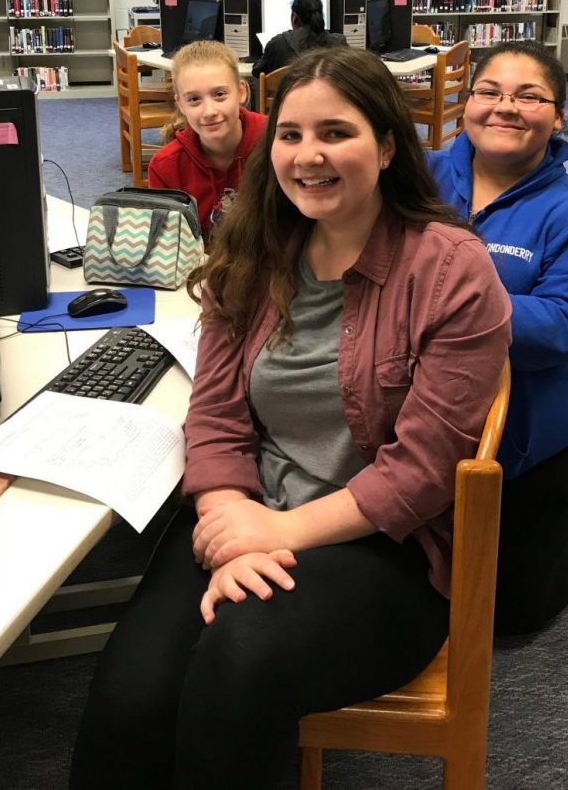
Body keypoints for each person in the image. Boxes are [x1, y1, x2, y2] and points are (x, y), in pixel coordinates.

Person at [70, 45, 511, 790]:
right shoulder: (252, 248)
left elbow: (422, 473)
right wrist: (230, 519)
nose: (309, 155)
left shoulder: (449, 269)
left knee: (236, 668)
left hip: (380, 545)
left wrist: (276, 532)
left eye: (336, 133)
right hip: (245, 509)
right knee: (132, 698)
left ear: (387, 145)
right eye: (290, 135)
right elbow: (211, 414)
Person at [428, 40, 568, 637]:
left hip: (531, 432)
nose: (506, 108)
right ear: (466, 102)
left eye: (529, 97)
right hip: (418, 412)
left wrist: (442, 302)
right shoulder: (417, 176)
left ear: (557, 117)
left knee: (514, 614)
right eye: (490, 92)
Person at [147, 40, 267, 240]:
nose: (209, 112)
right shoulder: (165, 166)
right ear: (181, 105)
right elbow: (167, 245)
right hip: (200, 267)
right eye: (194, 99)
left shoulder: (274, 141)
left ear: (242, 92)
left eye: (219, 94)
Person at [251, 0, 347, 78]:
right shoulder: (339, 43)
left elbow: (257, 71)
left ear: (295, 18)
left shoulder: (277, 44)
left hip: (288, 97)